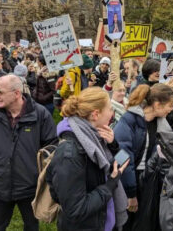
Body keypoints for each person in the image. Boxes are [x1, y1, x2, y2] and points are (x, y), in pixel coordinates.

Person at [0, 75, 57, 231]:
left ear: (16, 93)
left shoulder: (40, 114)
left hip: (29, 186)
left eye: (0, 92)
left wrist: (39, 175)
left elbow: (51, 148)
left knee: (31, 226)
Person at [46, 87, 129, 230]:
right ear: (96, 114)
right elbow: (76, 210)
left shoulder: (96, 137)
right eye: (110, 109)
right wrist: (110, 184)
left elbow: (123, 160)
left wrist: (113, 145)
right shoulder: (70, 153)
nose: (112, 113)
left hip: (101, 220)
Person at [114, 83, 173, 230]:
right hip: (129, 180)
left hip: (147, 179)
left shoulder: (159, 124)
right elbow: (122, 157)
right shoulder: (129, 121)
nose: (171, 109)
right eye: (170, 105)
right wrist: (131, 193)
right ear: (157, 105)